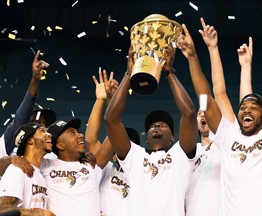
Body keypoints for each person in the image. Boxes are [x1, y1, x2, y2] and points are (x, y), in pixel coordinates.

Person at [179, 16, 262, 216]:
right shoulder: (227, 135)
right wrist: (193, 57)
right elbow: (208, 96)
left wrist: (245, 67)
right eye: (243, 107)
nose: (246, 109)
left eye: (253, 107)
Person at [104, 44, 197, 216]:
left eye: (163, 124)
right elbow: (111, 120)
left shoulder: (180, 155)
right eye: (153, 125)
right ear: (146, 139)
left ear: (172, 138)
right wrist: (128, 74)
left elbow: (190, 114)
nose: (156, 125)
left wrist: (169, 72)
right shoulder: (135, 156)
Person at [40, 70, 117, 216]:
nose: (80, 135)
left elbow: (114, 132)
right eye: (72, 133)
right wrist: (14, 160)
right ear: (60, 145)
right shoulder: (45, 165)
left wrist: (104, 101)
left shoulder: (92, 165)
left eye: (77, 131)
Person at [0, 50, 56, 177]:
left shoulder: (50, 155)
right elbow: (25, 111)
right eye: (36, 122)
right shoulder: (11, 141)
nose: (41, 126)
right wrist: (35, 80)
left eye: (43, 124)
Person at [0, 122, 55, 215]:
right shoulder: (16, 170)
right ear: (30, 140)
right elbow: (2, 209)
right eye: (42, 131)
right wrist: (39, 214)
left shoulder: (40, 176)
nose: (49, 134)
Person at [99, 127, 140, 216]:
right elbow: (91, 140)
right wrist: (114, 131)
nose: (122, 149)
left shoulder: (141, 176)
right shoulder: (106, 169)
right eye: (118, 146)